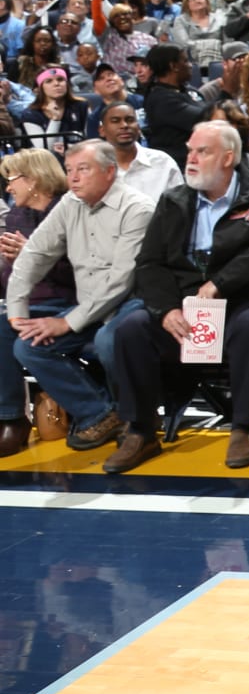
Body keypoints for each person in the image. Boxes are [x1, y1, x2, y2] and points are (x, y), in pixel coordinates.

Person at [105, 121, 249, 473]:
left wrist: (221, 283)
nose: (190, 158)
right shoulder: (174, 200)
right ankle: (141, 430)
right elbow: (149, 263)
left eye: (201, 151)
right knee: (131, 328)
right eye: (190, 150)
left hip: (244, 298)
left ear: (227, 157)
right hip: (184, 305)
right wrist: (165, 310)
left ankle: (242, 427)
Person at [5, 143, 154, 458]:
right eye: (69, 169)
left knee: (109, 339)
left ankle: (136, 420)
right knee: (27, 345)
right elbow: (34, 255)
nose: (72, 178)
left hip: (132, 304)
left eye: (82, 170)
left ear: (109, 172)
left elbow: (120, 282)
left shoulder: (137, 208)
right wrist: (16, 311)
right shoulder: (70, 204)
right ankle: (99, 413)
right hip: (85, 306)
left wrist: (66, 322)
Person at [0, 151, 77, 457]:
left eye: (11, 180)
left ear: (32, 179)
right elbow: (9, 279)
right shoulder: (17, 216)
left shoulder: (70, 211)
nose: (7, 188)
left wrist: (31, 256)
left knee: (4, 331)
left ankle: (11, 419)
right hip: (27, 302)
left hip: (70, 301)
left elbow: (81, 273)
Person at [95, 100, 183, 202]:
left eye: (130, 120)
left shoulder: (163, 162)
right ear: (102, 130)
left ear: (139, 127)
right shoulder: (93, 167)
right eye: (115, 121)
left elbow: (180, 206)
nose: (124, 125)